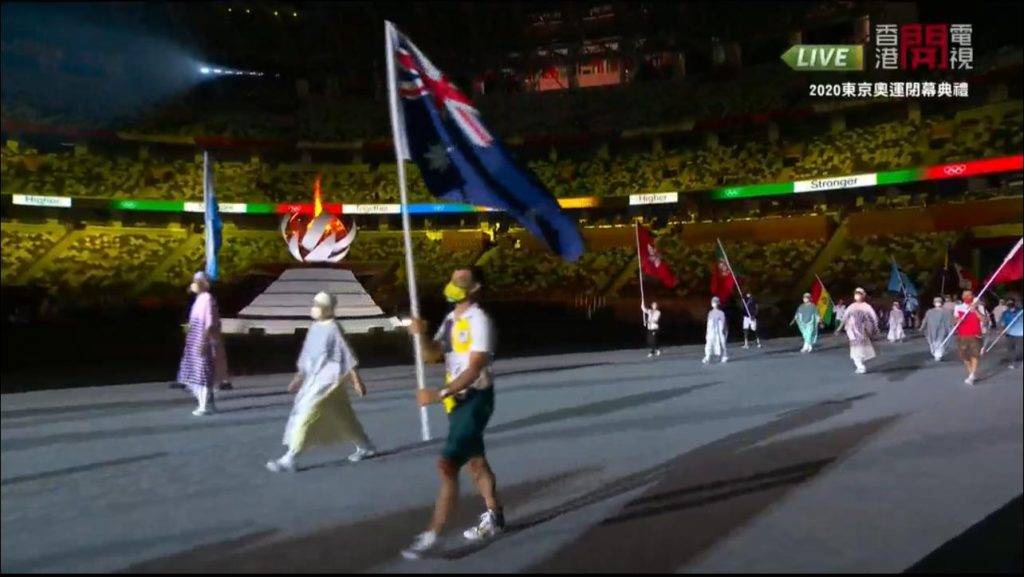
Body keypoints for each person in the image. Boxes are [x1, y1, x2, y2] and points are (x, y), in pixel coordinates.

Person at [402, 267, 504, 560]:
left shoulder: (479, 321)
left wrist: (439, 394)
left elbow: (474, 368)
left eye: (462, 280)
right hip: (456, 403)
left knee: (447, 465)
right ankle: (495, 515)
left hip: (475, 399)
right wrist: (420, 336)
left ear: (475, 288)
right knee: (475, 461)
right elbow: (432, 354)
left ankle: (433, 534)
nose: (455, 283)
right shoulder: (450, 319)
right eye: (454, 278)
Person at [266, 292, 377, 473]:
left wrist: (356, 381)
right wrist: (299, 377)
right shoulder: (315, 327)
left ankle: (291, 457)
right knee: (343, 416)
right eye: (314, 304)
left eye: (318, 305)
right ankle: (366, 445)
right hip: (315, 380)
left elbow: (345, 355)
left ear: (327, 308)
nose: (314, 308)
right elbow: (308, 355)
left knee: (307, 414)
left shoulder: (334, 328)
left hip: (329, 382)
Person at [176, 272, 228, 416]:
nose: (193, 284)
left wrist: (204, 342)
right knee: (197, 373)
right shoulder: (199, 299)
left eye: (197, 281)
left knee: (203, 374)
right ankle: (206, 404)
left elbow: (209, 324)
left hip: (204, 342)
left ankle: (205, 405)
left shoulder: (207, 299)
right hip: (195, 341)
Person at [835, 287, 879, 374]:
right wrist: (839, 328)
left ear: (863, 296)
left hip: (862, 332)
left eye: (859, 294)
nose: (857, 296)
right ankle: (860, 365)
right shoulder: (851, 306)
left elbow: (874, 318)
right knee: (855, 350)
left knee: (861, 349)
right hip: (852, 332)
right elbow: (844, 318)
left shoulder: (866, 306)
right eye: (856, 294)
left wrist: (875, 328)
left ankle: (861, 365)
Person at [953, 290, 985, 386]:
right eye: (965, 295)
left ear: (972, 296)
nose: (967, 296)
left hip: (975, 334)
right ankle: (972, 373)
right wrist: (958, 320)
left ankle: (971, 376)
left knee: (974, 355)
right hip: (962, 335)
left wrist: (975, 310)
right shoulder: (958, 307)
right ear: (962, 297)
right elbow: (955, 320)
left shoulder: (979, 307)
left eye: (969, 295)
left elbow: (984, 319)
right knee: (965, 357)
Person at [921, 296, 953, 362]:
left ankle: (938, 355)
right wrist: (922, 327)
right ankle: (936, 353)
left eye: (939, 302)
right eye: (936, 302)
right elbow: (925, 320)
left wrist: (951, 327)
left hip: (943, 329)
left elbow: (950, 320)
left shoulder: (946, 312)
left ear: (942, 303)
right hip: (932, 330)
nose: (938, 303)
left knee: (941, 342)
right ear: (934, 303)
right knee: (933, 342)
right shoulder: (929, 312)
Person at [703, 296, 728, 364]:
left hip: (719, 331)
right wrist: (707, 332)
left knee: (722, 343)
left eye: (715, 302)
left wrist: (724, 330)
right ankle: (707, 356)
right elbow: (708, 323)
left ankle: (724, 356)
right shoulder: (710, 313)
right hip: (711, 331)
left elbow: (723, 322)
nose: (714, 303)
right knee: (709, 343)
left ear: (718, 303)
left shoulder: (721, 313)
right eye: (713, 302)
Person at [999, 299, 1022, 370]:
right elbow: (1002, 323)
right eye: (1008, 303)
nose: (1010, 304)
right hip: (1009, 333)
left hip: (1020, 333)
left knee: (1019, 348)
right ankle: (1013, 363)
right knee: (1010, 349)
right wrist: (1002, 330)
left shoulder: (1020, 312)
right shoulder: (1005, 313)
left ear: (1014, 303)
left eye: (1011, 303)